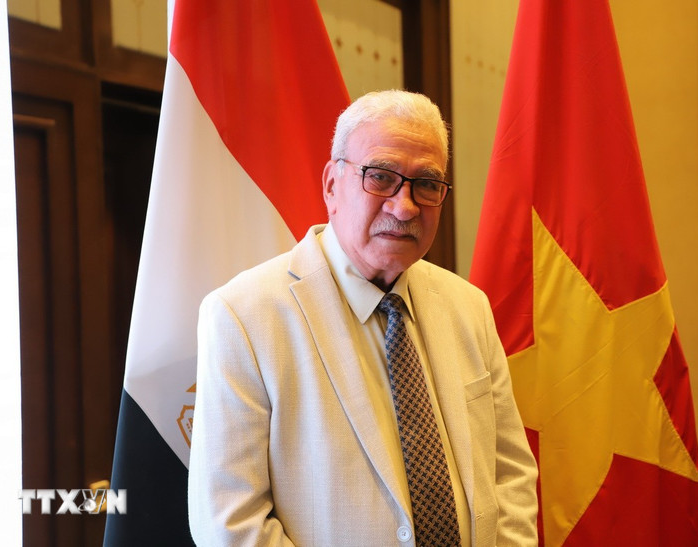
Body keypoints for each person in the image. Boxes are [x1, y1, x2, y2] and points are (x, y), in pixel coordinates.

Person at [187, 90, 538, 546]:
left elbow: (510, 474)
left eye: (426, 184)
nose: (405, 206)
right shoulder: (244, 315)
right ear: (332, 185)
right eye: (381, 177)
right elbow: (230, 523)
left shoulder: (468, 306)